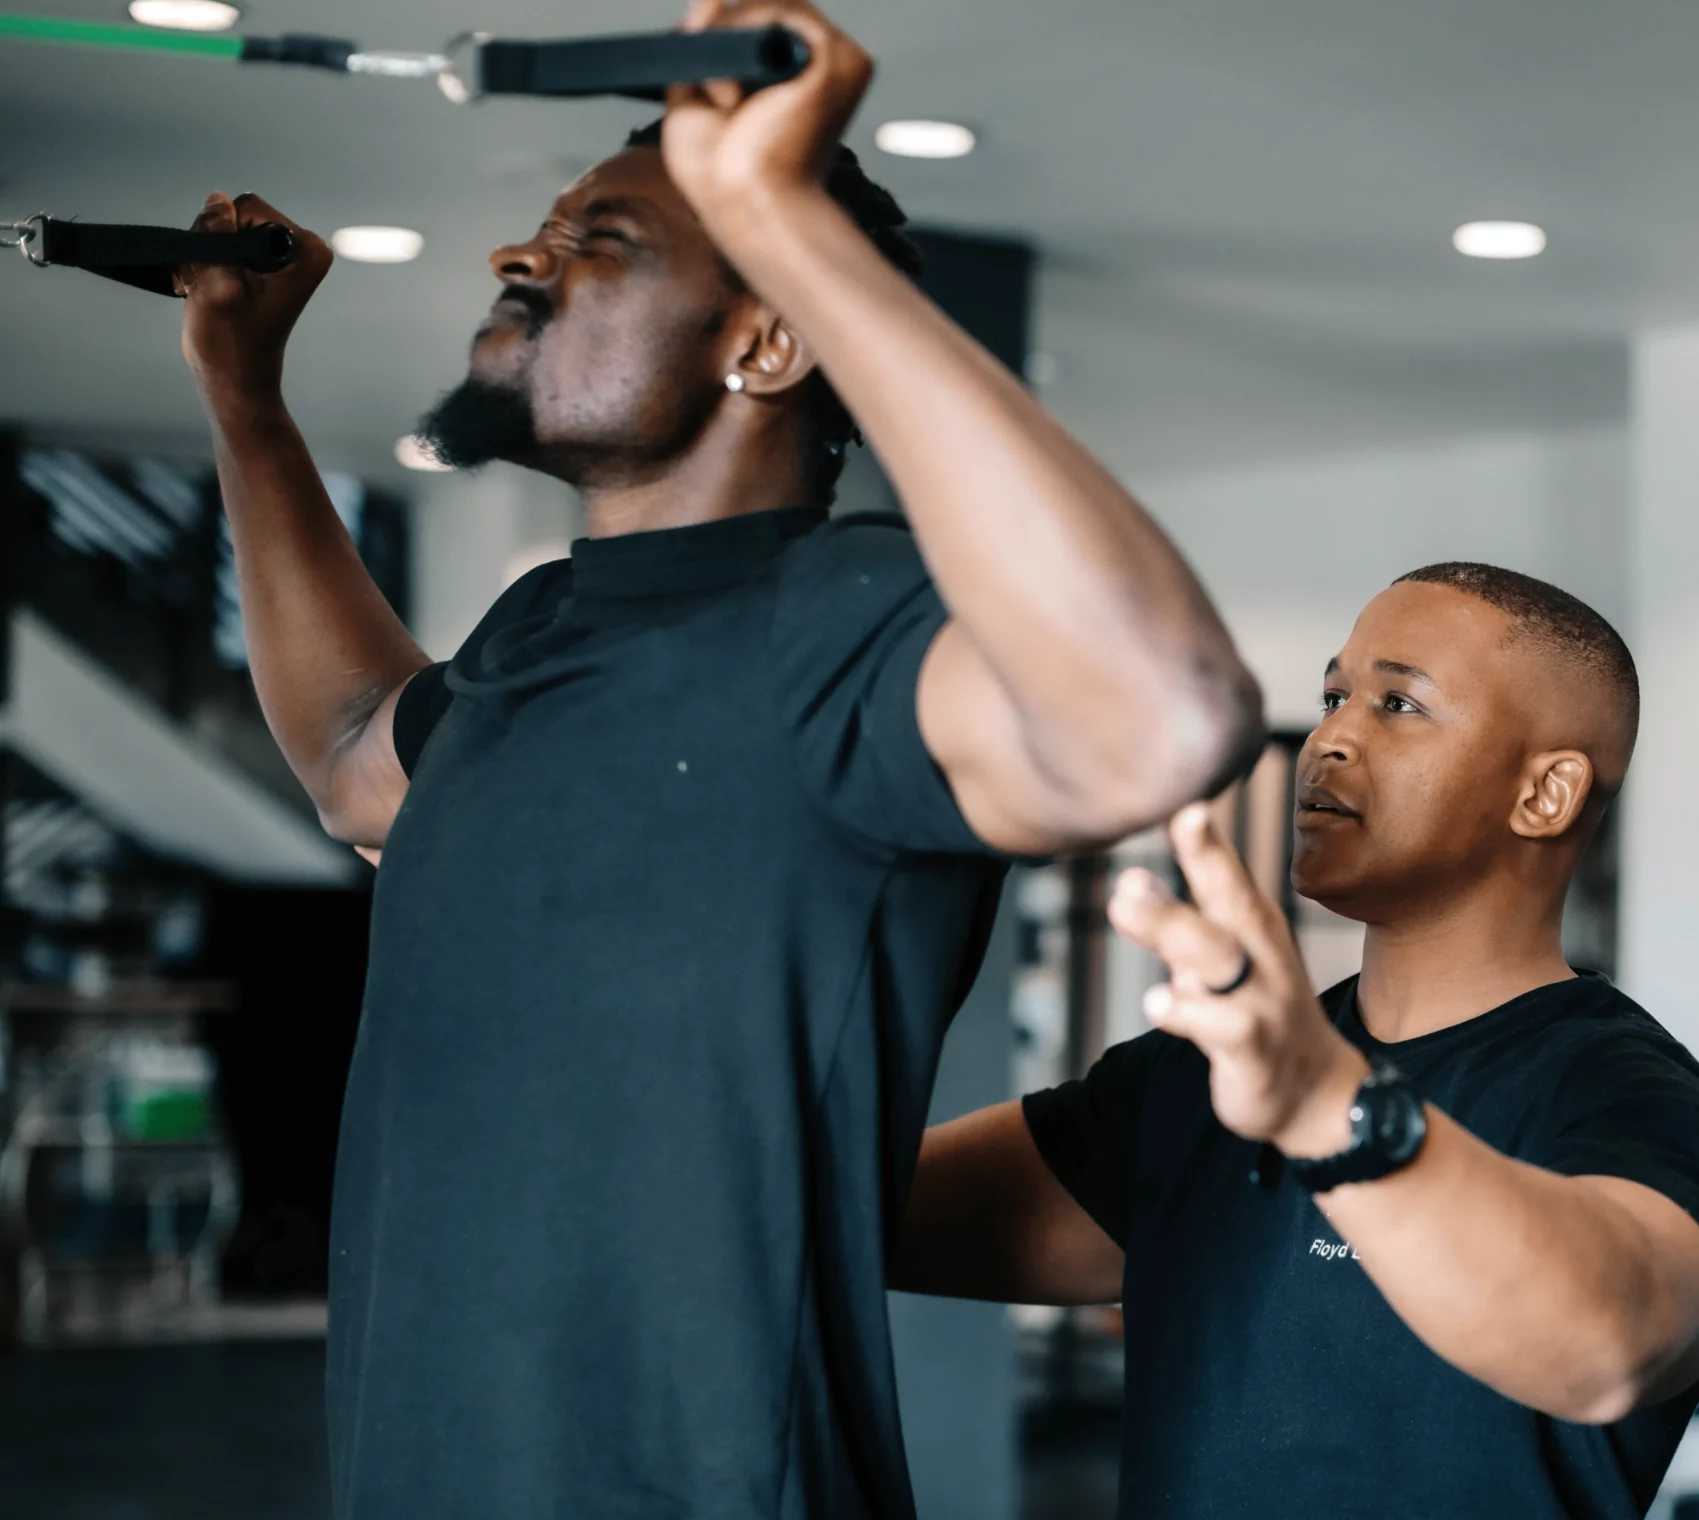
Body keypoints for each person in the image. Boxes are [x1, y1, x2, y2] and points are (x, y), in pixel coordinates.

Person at [172, 1, 1260, 1514]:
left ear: (763, 339)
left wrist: (778, 210)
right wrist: (244, 395)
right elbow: (358, 751)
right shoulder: (540, 630)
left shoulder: (847, 621)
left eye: (602, 240)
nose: (519, 258)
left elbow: (1162, 716)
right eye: (546, 230)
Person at [893, 563, 1699, 1518]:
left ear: (1544, 795)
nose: (1330, 739)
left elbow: (1610, 1346)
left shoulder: (1621, 1094)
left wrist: (1324, 1107)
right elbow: (850, 1215)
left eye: (1399, 703)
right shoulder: (1195, 1079)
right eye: (1333, 695)